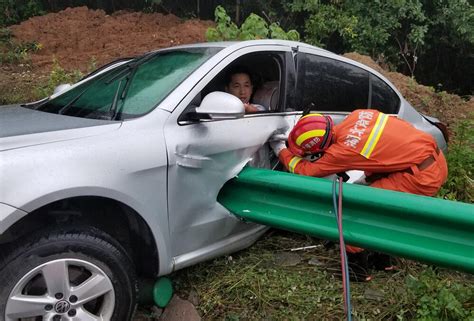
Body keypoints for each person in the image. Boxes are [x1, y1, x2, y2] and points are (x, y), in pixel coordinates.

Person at [269, 110, 448, 276]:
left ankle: (357, 268)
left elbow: (305, 170)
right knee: (385, 214)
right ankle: (382, 260)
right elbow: (382, 149)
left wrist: (280, 149)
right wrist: (367, 180)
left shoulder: (341, 152)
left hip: (419, 177)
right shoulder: (358, 115)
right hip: (431, 159)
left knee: (354, 211)